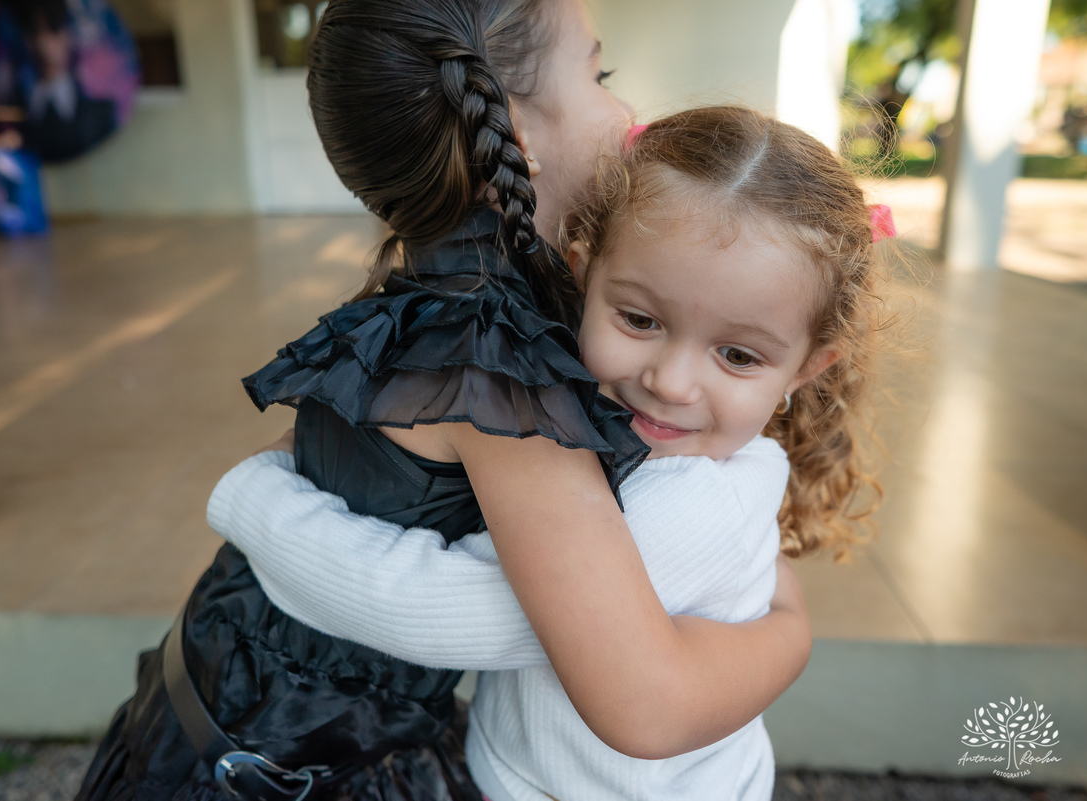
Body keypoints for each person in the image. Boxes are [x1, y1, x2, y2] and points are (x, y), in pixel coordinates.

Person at [75, 2, 813, 800]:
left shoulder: (427, 297)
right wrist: (790, 633)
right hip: (302, 760)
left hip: (217, 684)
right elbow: (646, 702)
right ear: (517, 135)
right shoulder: (499, 376)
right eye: (600, 74)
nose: (625, 111)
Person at [209, 105, 890, 801]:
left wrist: (256, 496)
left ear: (807, 368)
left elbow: (424, 606)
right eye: (640, 319)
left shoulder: (687, 504)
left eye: (738, 355)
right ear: (582, 271)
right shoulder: (683, 456)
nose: (670, 380)